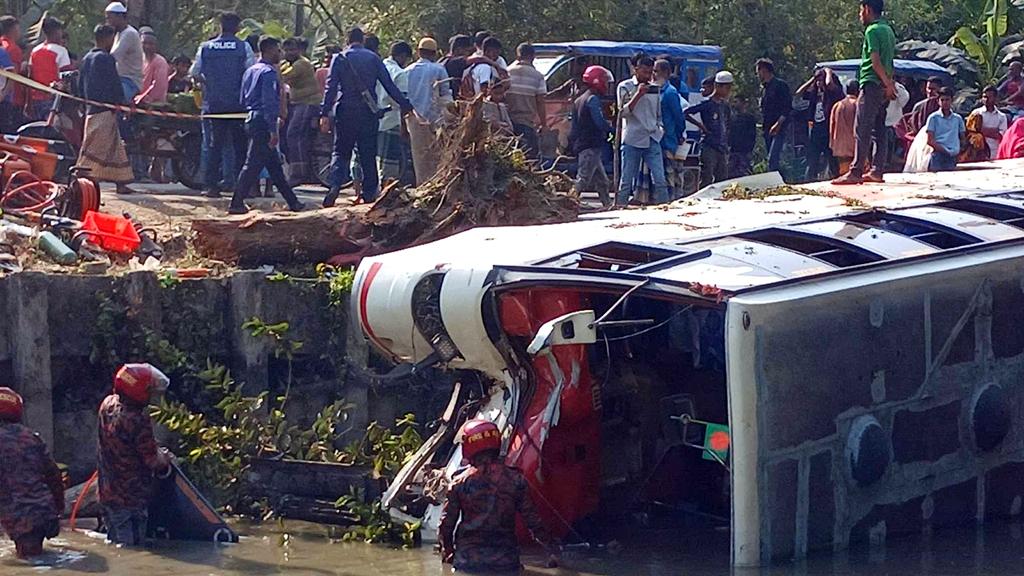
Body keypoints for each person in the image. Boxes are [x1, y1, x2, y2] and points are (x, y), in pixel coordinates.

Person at [439, 419, 559, 574]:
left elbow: (445, 527)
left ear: (468, 446)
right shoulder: (516, 480)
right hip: (506, 564)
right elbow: (534, 523)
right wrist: (552, 549)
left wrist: (448, 553)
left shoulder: (458, 484)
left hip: (468, 564)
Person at [319, 27, 412, 207]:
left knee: (340, 152)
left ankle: (335, 186)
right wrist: (406, 105)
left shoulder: (339, 58)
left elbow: (330, 89)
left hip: (344, 111)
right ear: (362, 40)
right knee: (368, 154)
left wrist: (324, 113)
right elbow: (389, 85)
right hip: (368, 113)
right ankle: (369, 195)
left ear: (347, 40)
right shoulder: (373, 58)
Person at [98, 364, 173, 547]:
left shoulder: (107, 405)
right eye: (148, 389)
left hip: (108, 494)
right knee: (131, 551)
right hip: (130, 500)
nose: (151, 393)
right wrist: (167, 457)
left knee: (115, 543)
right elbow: (153, 461)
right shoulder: (137, 420)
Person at [229, 36, 305, 214]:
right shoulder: (269, 73)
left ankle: (293, 202)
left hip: (251, 118)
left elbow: (242, 98)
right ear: (269, 50)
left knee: (274, 167)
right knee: (252, 165)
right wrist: (273, 129)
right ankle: (236, 203)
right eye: (278, 50)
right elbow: (269, 102)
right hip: (263, 121)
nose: (281, 53)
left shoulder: (250, 70)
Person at [832, 0, 896, 185]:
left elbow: (875, 62)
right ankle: (877, 170)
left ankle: (856, 171)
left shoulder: (872, 30)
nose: (860, 14)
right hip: (883, 86)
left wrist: (886, 83)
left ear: (867, 9)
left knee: (862, 128)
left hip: (871, 83)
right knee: (879, 129)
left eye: (861, 10)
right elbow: (889, 62)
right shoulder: (888, 30)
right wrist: (889, 84)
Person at [193, 12, 254, 198]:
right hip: (238, 105)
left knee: (214, 146)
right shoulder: (244, 47)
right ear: (237, 28)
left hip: (214, 105)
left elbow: (194, 72)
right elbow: (250, 73)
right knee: (240, 145)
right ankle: (242, 186)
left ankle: (211, 186)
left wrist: (209, 84)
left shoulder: (206, 47)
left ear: (220, 26)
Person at [0, 387, 63, 559]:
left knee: (32, 564)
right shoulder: (31, 437)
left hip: (22, 521)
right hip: (45, 513)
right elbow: (54, 475)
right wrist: (58, 509)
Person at [78, 25, 136, 195]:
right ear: (106, 38)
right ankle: (84, 179)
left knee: (115, 148)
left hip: (92, 108)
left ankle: (121, 183)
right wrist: (121, 103)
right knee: (95, 147)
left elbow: (80, 85)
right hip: (103, 110)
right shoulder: (105, 59)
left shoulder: (86, 58)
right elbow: (114, 84)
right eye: (112, 39)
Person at [616, 54, 667, 206]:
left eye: (650, 72)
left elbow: (658, 113)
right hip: (632, 138)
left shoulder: (655, 88)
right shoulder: (625, 86)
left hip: (652, 137)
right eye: (644, 72)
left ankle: (667, 209)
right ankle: (619, 208)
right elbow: (622, 113)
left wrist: (660, 129)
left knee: (660, 179)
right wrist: (638, 95)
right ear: (636, 70)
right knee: (626, 181)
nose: (647, 75)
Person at [405, 37, 453, 185]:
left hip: (414, 118)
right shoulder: (438, 69)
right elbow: (446, 94)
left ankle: (422, 186)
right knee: (437, 156)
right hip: (436, 118)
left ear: (418, 52)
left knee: (419, 156)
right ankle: (436, 186)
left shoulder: (407, 71)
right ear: (434, 53)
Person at [570, 65, 615, 207]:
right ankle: (569, 200)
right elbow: (599, 122)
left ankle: (607, 204)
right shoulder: (592, 100)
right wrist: (612, 130)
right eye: (605, 82)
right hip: (590, 144)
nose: (607, 85)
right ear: (598, 81)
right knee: (583, 179)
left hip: (585, 144)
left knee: (602, 180)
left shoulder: (579, 99)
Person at [280, 37, 321, 186]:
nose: (290, 53)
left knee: (294, 135)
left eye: (293, 50)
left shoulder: (302, 64)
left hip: (308, 103)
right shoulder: (288, 63)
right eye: (287, 50)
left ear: (299, 50)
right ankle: (300, 171)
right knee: (293, 136)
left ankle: (298, 174)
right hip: (297, 103)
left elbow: (283, 76)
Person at [685, 71, 734, 189]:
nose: (728, 91)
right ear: (717, 86)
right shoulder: (707, 104)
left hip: (721, 147)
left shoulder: (725, 106)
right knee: (706, 177)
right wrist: (702, 127)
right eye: (726, 87)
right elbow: (686, 113)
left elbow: (727, 123)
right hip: (709, 145)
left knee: (722, 179)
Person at [796, 68, 843, 181]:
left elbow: (829, 84)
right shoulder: (814, 94)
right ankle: (809, 180)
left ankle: (836, 177)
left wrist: (828, 72)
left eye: (820, 80)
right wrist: (813, 79)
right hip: (816, 130)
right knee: (812, 159)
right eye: (817, 81)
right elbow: (799, 93)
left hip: (829, 130)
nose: (819, 83)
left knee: (831, 159)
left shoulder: (833, 93)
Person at [378, 41, 413, 184]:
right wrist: (405, 128)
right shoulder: (400, 74)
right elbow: (402, 102)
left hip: (374, 119)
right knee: (389, 162)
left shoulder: (378, 67)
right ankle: (385, 194)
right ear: (403, 56)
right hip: (391, 120)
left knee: (373, 159)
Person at [506, 43, 547, 159]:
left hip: (507, 123)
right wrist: (544, 125)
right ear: (533, 57)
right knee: (530, 158)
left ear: (518, 56)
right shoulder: (538, 76)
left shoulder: (507, 72)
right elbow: (540, 102)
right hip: (526, 123)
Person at [28, 17, 72, 121]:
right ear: (56, 31)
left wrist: (27, 102)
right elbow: (66, 77)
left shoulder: (35, 50)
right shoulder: (61, 51)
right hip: (54, 100)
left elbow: (30, 75)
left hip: (35, 99)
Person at [655, 59, 688, 196]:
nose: (654, 74)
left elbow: (678, 118)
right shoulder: (656, 90)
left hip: (668, 140)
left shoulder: (670, 92)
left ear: (667, 73)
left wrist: (679, 135)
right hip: (656, 140)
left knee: (671, 175)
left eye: (657, 71)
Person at [756, 58, 791, 174]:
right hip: (767, 127)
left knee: (773, 158)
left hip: (779, 128)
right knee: (770, 158)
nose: (758, 75)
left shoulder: (780, 85)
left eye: (758, 71)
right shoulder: (764, 88)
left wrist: (778, 124)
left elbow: (786, 108)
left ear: (764, 70)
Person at [104, 2, 143, 102]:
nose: (108, 22)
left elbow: (113, 57)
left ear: (119, 16)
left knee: (114, 101)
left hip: (130, 81)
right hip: (119, 79)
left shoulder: (129, 33)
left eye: (110, 18)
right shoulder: (118, 33)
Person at [925, 87, 966, 172]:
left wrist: (958, 151)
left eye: (947, 100)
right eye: (942, 100)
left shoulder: (958, 119)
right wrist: (945, 151)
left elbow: (963, 138)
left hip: (952, 157)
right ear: (938, 101)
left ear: (952, 100)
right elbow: (930, 140)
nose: (945, 102)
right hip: (938, 156)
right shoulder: (933, 118)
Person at [829, 80, 859, 176]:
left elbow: (831, 126)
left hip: (840, 147)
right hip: (854, 146)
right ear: (858, 91)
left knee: (843, 173)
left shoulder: (837, 105)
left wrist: (832, 144)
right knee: (856, 175)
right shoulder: (857, 104)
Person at [0, 15, 26, 130]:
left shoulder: (2, 45)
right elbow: (14, 76)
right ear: (13, 29)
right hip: (11, 98)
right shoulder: (12, 49)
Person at [970, 85, 1008, 160]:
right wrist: (993, 131)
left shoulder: (1002, 117)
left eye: (989, 97)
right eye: (984, 97)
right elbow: (971, 132)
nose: (986, 99)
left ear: (995, 98)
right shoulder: (976, 113)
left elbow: (1000, 136)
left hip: (995, 153)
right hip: (978, 154)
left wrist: (981, 130)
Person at [882, 79, 910, 171]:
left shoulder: (898, 88)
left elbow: (904, 100)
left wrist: (894, 87)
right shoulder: (876, 86)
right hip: (880, 123)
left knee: (892, 147)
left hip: (893, 123)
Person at [729, 96, 757, 178]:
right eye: (734, 102)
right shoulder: (732, 118)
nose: (734, 104)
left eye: (736, 102)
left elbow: (752, 135)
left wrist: (749, 148)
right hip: (733, 150)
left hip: (745, 150)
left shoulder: (749, 118)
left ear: (744, 104)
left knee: (744, 172)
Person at [138, 31, 168, 104]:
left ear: (156, 46)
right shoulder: (139, 59)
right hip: (138, 100)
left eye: (151, 44)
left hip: (153, 104)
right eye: (144, 43)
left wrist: (145, 98)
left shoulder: (160, 62)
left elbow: (159, 85)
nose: (147, 46)